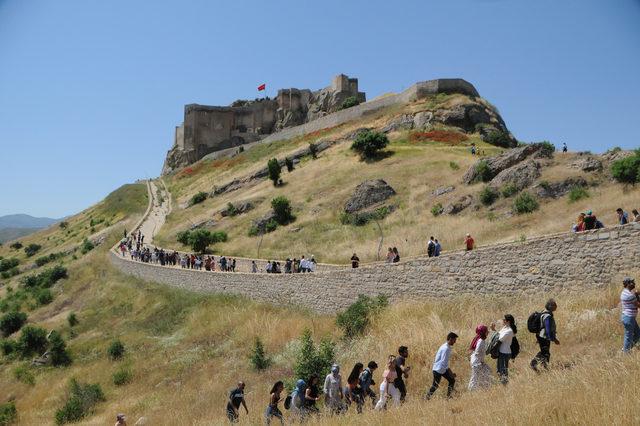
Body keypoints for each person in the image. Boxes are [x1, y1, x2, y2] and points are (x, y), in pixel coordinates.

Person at [425, 332, 458, 400]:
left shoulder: (446, 346)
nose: (455, 342)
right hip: (438, 369)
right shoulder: (446, 348)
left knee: (451, 380)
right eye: (454, 340)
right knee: (435, 385)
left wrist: (450, 373)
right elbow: (444, 363)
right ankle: (427, 397)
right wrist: (450, 373)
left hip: (440, 368)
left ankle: (448, 397)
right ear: (450, 339)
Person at [531, 299, 560, 371]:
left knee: (544, 351)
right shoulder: (547, 316)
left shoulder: (543, 313)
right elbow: (547, 329)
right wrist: (553, 339)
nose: (556, 306)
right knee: (546, 353)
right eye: (554, 305)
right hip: (544, 336)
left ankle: (543, 366)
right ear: (550, 306)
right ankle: (535, 364)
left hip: (541, 336)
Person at [491, 314, 516, 384]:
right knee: (499, 370)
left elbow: (499, 339)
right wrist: (493, 329)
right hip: (502, 352)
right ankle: (502, 384)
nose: (502, 321)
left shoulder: (509, 331)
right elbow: (498, 336)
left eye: (504, 320)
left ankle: (504, 385)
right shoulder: (505, 328)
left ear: (508, 321)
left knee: (503, 371)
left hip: (505, 353)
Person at [468, 325, 491, 391]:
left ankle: (484, 388)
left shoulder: (480, 340)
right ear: (483, 332)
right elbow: (477, 352)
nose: (488, 332)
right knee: (474, 377)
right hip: (477, 362)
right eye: (486, 331)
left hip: (477, 361)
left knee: (487, 372)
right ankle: (471, 390)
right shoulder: (481, 341)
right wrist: (481, 361)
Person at [620, 277, 640, 352]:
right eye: (632, 282)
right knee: (628, 336)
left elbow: (634, 295)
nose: (634, 284)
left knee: (638, 334)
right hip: (629, 318)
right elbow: (638, 305)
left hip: (629, 317)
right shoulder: (629, 295)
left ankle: (627, 347)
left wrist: (636, 293)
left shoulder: (625, 292)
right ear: (628, 284)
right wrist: (637, 295)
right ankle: (625, 352)